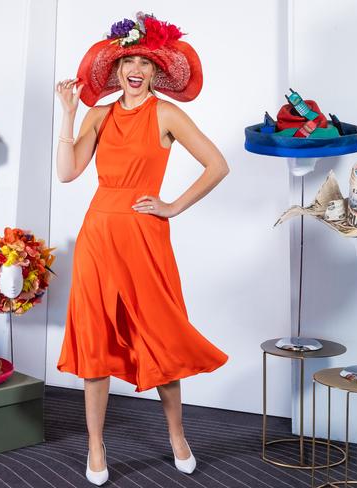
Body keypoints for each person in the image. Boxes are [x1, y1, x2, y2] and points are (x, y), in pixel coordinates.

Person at [55, 13, 229, 486]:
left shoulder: (166, 114)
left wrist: (172, 206)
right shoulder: (100, 113)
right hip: (98, 235)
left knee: (159, 334)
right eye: (127, 60)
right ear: (115, 69)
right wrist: (69, 113)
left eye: (145, 62)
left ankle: (177, 435)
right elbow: (67, 172)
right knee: (94, 338)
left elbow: (217, 165)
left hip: (144, 236)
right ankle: (96, 444)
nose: (135, 68)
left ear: (156, 71)